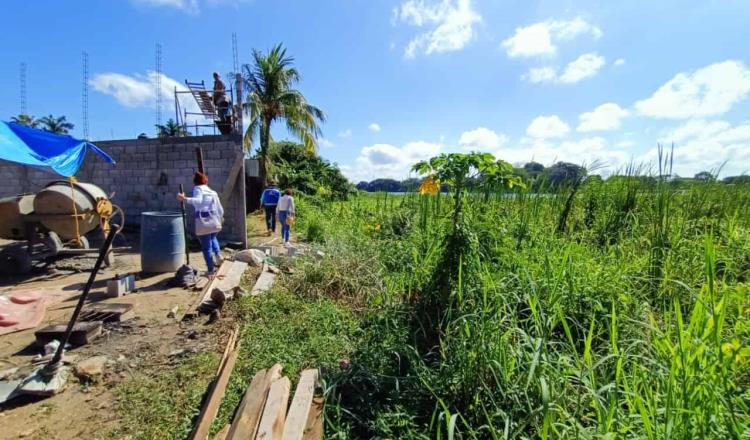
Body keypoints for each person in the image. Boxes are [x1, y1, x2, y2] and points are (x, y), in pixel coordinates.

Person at [177, 172, 224, 275]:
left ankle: (211, 270)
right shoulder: (212, 192)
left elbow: (198, 201)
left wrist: (184, 199)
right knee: (212, 238)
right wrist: (220, 218)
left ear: (195, 181)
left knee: (206, 246)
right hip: (214, 220)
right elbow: (220, 208)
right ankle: (218, 255)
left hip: (204, 221)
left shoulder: (198, 189)